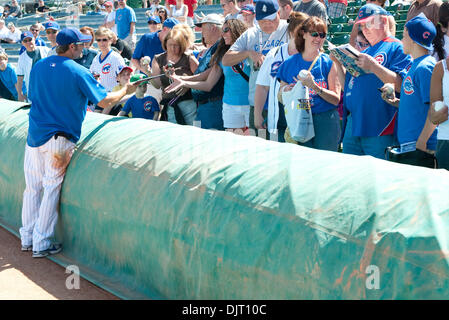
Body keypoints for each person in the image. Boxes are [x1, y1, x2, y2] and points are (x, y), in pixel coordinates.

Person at [19, 27, 137, 258]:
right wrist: (124, 89)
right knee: (51, 187)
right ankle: (41, 242)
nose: (84, 47)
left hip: (33, 136)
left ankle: (27, 237)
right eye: (81, 45)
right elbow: (104, 101)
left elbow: (33, 95)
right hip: (59, 139)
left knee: (32, 188)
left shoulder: (40, 65)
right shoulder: (77, 70)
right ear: (71, 47)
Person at [333, 4, 413, 159]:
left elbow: (403, 84)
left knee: (380, 178)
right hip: (354, 123)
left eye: (369, 23)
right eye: (362, 25)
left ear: (383, 21)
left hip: (380, 125)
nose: (365, 28)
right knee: (353, 178)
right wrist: (337, 63)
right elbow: (348, 88)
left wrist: (374, 67)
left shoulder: (397, 46)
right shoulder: (364, 51)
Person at [165, 18, 249, 133]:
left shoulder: (250, 48)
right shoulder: (221, 52)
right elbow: (206, 80)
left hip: (247, 105)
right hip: (228, 107)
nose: (223, 33)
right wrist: (181, 80)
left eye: (226, 30)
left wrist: (184, 81)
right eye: (223, 30)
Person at [223, 0, 289, 133]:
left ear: (278, 13)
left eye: (271, 19)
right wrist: (248, 53)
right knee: (260, 148)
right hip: (259, 103)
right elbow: (226, 60)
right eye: (263, 21)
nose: (267, 24)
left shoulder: (290, 29)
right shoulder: (251, 34)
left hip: (285, 101)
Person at [277, 16, 342, 150]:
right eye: (314, 34)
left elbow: (335, 99)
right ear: (303, 34)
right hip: (299, 118)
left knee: (325, 165)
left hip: (325, 120)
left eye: (322, 35)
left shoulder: (329, 62)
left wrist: (314, 86)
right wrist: (287, 91)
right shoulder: (289, 63)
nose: (318, 38)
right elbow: (280, 96)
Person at [381, 14, 438, 167]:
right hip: (410, 145)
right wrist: (397, 102)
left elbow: (436, 108)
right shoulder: (416, 65)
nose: (402, 40)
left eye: (404, 36)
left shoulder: (426, 67)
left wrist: (423, 140)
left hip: (421, 147)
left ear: (413, 38)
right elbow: (419, 103)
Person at [255, 11, 308, 141]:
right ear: (290, 32)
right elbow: (262, 86)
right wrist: (257, 114)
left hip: (304, 116)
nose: (303, 36)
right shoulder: (275, 54)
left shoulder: (311, 54)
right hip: (279, 117)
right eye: (300, 32)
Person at [150, 25, 198, 125]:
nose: (173, 48)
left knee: (194, 131)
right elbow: (157, 84)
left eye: (176, 45)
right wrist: (147, 71)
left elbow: (201, 77)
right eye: (170, 44)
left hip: (189, 103)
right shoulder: (158, 59)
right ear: (165, 44)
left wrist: (185, 83)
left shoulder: (188, 57)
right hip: (169, 104)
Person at [190, 14, 225, 129]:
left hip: (213, 105)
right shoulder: (214, 46)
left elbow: (208, 76)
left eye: (203, 29)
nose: (202, 33)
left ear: (213, 28)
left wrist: (183, 81)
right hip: (206, 105)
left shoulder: (220, 46)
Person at [16, 31, 51, 102]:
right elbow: (20, 77)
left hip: (48, 87)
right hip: (33, 90)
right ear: (22, 43)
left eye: (30, 39)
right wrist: (20, 94)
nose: (28, 42)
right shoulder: (22, 58)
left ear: (34, 39)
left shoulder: (46, 50)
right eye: (25, 41)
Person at [90, 27, 125, 93]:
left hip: (114, 96)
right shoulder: (96, 58)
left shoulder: (116, 58)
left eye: (104, 40)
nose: (101, 43)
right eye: (98, 40)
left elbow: (124, 79)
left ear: (111, 40)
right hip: (100, 96)